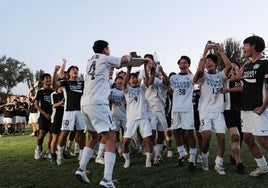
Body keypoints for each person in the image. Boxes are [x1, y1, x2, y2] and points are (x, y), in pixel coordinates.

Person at [75, 40, 131, 187]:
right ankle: (107, 179)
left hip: (85, 103)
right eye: (109, 47)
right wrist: (131, 57)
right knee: (111, 136)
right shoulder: (104, 58)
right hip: (97, 103)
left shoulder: (89, 61)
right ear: (105, 49)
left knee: (93, 136)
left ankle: (81, 169)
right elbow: (125, 60)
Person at [193, 42, 232, 175]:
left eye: (210, 61)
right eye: (206, 62)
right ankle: (204, 157)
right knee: (207, 136)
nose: (208, 63)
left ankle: (218, 164)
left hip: (218, 111)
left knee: (221, 138)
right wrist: (204, 52)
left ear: (215, 64)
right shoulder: (204, 76)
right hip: (204, 111)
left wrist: (220, 51)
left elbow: (229, 66)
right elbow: (198, 72)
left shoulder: (220, 75)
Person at [239, 35, 268, 176]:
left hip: (259, 109)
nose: (243, 48)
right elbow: (239, 80)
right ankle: (263, 167)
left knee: (264, 140)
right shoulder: (248, 65)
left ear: (253, 46)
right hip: (245, 108)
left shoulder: (265, 62)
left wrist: (263, 107)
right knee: (248, 138)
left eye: (245, 45)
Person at [53, 60, 86, 165]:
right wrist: (54, 72)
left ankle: (81, 154)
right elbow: (55, 84)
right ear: (69, 73)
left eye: (77, 70)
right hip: (69, 112)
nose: (75, 71)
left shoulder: (82, 83)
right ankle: (60, 153)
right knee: (64, 133)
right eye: (73, 70)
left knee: (81, 133)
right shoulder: (65, 83)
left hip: (80, 112)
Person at [121, 66, 153, 169]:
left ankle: (148, 160)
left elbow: (148, 81)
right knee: (126, 142)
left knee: (147, 140)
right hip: (131, 119)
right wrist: (129, 70)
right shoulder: (126, 90)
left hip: (143, 118)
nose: (134, 79)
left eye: (135, 77)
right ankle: (127, 160)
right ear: (129, 81)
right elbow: (124, 83)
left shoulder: (142, 88)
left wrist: (145, 66)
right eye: (132, 78)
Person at [169, 56, 197, 171]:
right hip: (175, 109)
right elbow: (168, 86)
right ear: (178, 65)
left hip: (187, 109)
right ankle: (182, 153)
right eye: (181, 63)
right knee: (176, 131)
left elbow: (196, 78)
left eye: (185, 63)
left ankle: (193, 158)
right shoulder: (174, 78)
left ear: (188, 65)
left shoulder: (191, 77)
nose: (183, 64)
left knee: (189, 133)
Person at [143, 54, 169, 165]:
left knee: (162, 133)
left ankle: (158, 155)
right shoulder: (147, 77)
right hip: (151, 110)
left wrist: (162, 71)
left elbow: (168, 83)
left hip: (161, 110)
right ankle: (153, 156)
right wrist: (153, 71)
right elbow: (149, 83)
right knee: (152, 134)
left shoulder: (162, 81)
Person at [220, 62, 245, 174]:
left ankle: (233, 156)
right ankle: (239, 163)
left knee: (241, 137)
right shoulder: (225, 80)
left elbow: (242, 88)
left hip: (242, 112)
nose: (233, 68)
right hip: (229, 111)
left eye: (236, 67)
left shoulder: (242, 80)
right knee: (236, 136)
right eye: (231, 67)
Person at [34, 73, 54, 160]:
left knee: (52, 135)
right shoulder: (40, 91)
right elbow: (36, 105)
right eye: (47, 78)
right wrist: (45, 114)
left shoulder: (54, 91)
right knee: (42, 134)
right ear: (43, 81)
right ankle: (38, 149)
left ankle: (49, 151)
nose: (49, 80)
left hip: (53, 116)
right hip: (43, 116)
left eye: (49, 78)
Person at [50, 87, 64, 164]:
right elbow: (53, 105)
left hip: (64, 117)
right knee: (55, 137)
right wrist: (61, 103)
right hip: (56, 117)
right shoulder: (54, 94)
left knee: (63, 136)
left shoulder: (65, 93)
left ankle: (61, 153)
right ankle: (53, 155)